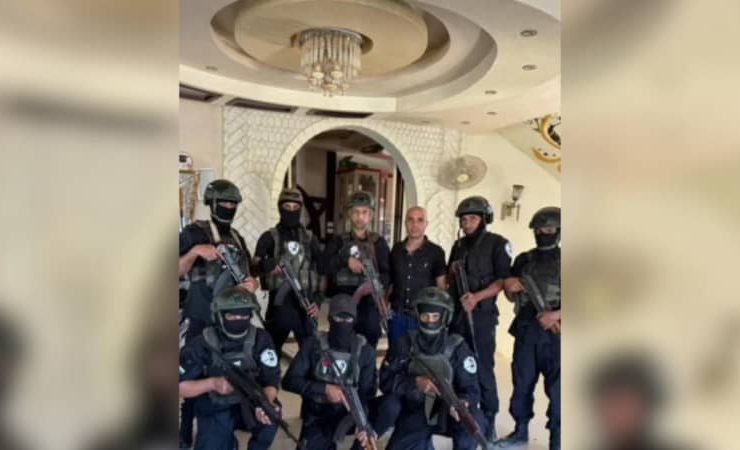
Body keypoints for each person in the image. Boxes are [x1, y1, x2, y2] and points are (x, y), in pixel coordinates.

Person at [178, 179, 258, 447]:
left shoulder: (237, 238)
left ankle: (224, 426)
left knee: (229, 372)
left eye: (232, 204)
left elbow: (248, 275)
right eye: (223, 202)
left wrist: (252, 284)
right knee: (192, 374)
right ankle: (184, 432)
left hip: (229, 322)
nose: (228, 207)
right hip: (200, 317)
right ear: (211, 203)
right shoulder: (193, 233)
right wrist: (194, 253)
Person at [282, 294, 394, 450]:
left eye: (348, 319)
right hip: (319, 415)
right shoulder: (313, 345)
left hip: (351, 413)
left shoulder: (365, 351)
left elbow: (367, 392)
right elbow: (289, 381)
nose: (343, 323)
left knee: (391, 405)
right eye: (338, 318)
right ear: (329, 318)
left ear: (355, 320)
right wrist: (324, 389)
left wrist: (363, 422)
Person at [380, 287, 487, 450]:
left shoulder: (457, 346)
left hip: (450, 411)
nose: (430, 321)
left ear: (445, 317)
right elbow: (386, 380)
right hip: (416, 409)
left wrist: (462, 402)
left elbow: (472, 389)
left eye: (435, 316)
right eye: (425, 316)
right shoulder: (404, 343)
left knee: (475, 420)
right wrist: (415, 383)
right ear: (418, 316)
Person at [179, 287, 281, 450]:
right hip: (214, 406)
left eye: (244, 315)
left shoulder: (261, 338)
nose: (238, 319)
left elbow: (272, 379)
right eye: (232, 315)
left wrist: (265, 402)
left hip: (250, 402)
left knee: (272, 415)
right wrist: (212, 384)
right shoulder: (202, 343)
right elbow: (180, 387)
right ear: (219, 316)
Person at [447, 196, 512, 442]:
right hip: (458, 316)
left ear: (484, 219)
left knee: (483, 367)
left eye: (472, 218)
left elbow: (502, 281)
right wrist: (452, 272)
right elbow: (449, 278)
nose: (467, 224)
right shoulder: (459, 245)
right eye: (464, 220)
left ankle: (489, 417)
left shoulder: (498, 244)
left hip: (482, 317)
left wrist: (476, 297)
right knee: (458, 365)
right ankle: (462, 414)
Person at [498, 206, 561, 450]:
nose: (543, 233)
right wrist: (509, 287)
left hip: (557, 335)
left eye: (549, 229)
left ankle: (557, 439)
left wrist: (556, 315)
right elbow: (510, 295)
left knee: (558, 390)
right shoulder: (524, 260)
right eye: (539, 229)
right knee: (522, 383)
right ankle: (520, 430)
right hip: (527, 330)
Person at [253, 187, 321, 359]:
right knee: (270, 352)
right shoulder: (269, 237)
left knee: (311, 353)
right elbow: (253, 267)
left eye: (295, 207)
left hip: (305, 303)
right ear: (280, 208)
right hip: (279, 306)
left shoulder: (310, 238)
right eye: (287, 207)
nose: (291, 211)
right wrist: (269, 264)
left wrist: (318, 301)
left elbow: (321, 270)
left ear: (301, 209)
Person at [322, 191, 391, 349]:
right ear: (349, 214)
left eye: (364, 212)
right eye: (356, 212)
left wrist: (375, 287)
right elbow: (323, 265)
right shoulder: (338, 241)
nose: (360, 217)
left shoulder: (378, 243)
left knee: (369, 343)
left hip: (369, 305)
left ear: (371, 215)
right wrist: (345, 260)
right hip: (343, 302)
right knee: (341, 344)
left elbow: (388, 273)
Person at [388, 206, 446, 347]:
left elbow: (441, 287)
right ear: (405, 223)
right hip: (397, 316)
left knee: (420, 357)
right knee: (396, 354)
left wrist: (439, 318)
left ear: (426, 224)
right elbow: (390, 281)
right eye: (410, 220)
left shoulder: (436, 252)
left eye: (420, 220)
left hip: (423, 318)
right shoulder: (396, 250)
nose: (415, 225)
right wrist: (384, 305)